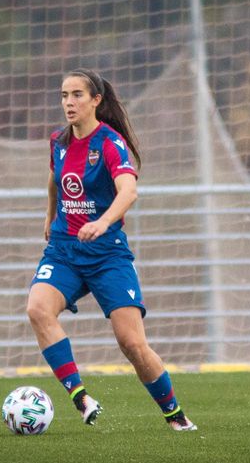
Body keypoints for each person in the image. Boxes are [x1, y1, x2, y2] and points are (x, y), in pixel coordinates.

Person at [26, 68, 196, 431]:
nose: (68, 103)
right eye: (63, 95)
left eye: (76, 95)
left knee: (131, 343)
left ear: (95, 101)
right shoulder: (58, 140)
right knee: (38, 309)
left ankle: (175, 415)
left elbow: (129, 191)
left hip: (107, 255)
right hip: (64, 250)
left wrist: (103, 222)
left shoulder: (109, 142)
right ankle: (80, 397)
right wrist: (49, 216)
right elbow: (54, 180)